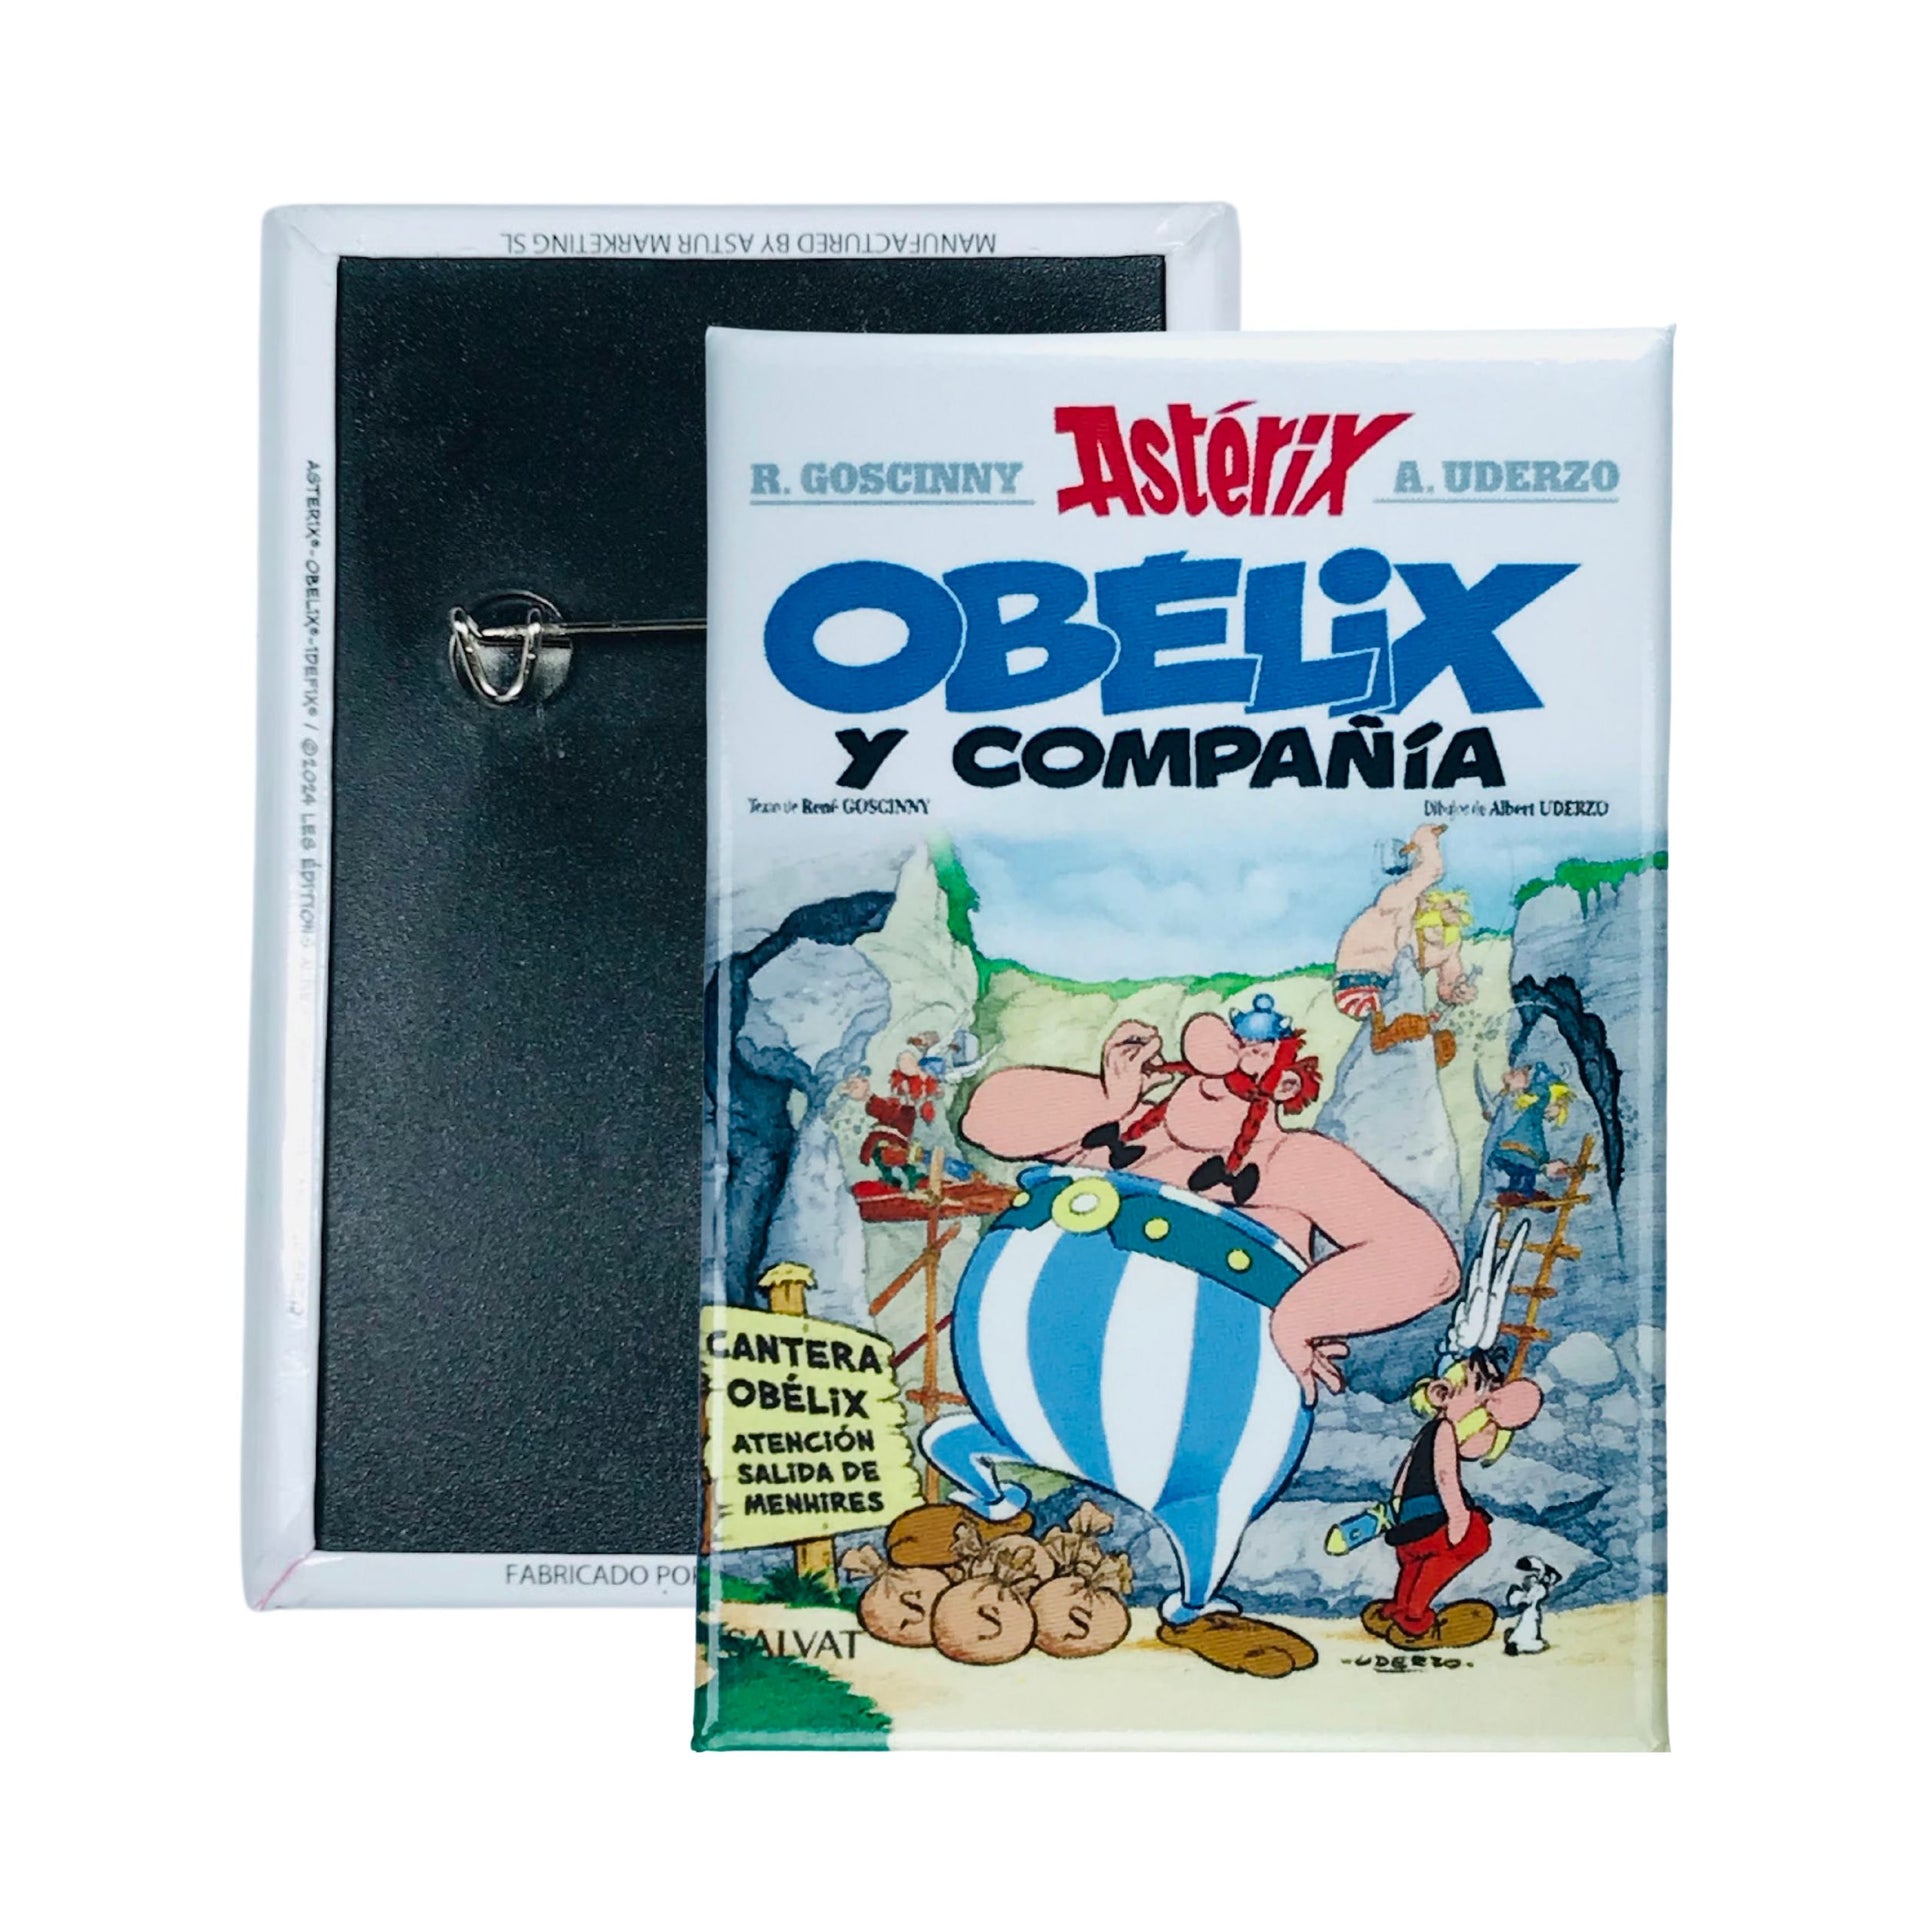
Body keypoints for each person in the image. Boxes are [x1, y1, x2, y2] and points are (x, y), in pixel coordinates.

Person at [1362, 1348, 1544, 1651]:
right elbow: (1445, 1474)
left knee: (1414, 1563)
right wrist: (1458, 1516)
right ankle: (1414, 1617)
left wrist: (1396, 1506)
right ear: (1445, 1393)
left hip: (1410, 1521)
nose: (1488, 1398)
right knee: (1472, 1539)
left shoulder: (1430, 1431)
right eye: (1480, 1387)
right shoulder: (1444, 1430)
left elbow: (1407, 1472)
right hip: (1436, 1518)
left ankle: (1398, 1606)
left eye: (1493, 1387)